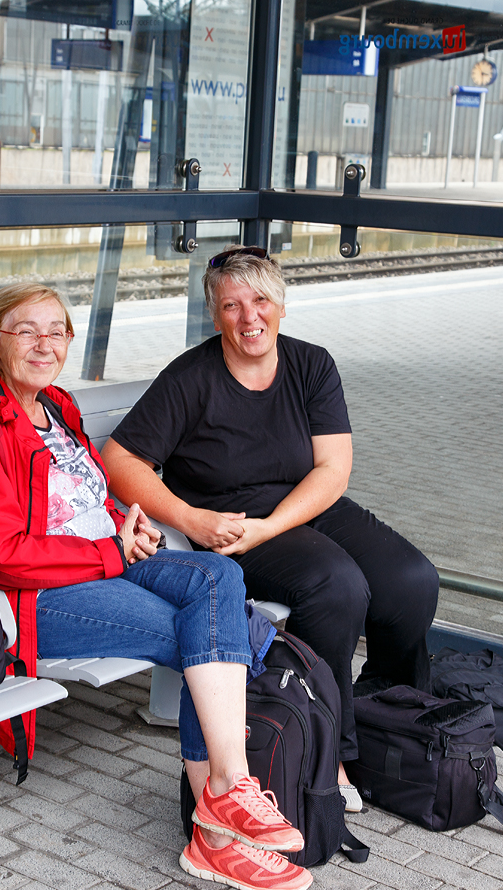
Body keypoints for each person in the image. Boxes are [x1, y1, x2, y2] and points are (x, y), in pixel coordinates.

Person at [0, 282, 312, 890]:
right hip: (31, 596)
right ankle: (224, 818)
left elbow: (82, 497)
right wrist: (107, 547)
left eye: (57, 330)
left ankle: (220, 808)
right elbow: (0, 555)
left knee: (222, 576)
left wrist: (122, 518)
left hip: (104, 556)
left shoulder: (57, 407)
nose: (45, 343)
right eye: (27, 330)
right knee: (210, 632)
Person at [102, 246, 440, 811]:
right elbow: (120, 460)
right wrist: (192, 520)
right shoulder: (192, 377)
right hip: (229, 520)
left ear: (281, 305)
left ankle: (385, 713)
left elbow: (333, 468)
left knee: (412, 581)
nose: (248, 316)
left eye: (260, 300)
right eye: (231, 305)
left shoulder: (311, 365)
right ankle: (325, 751)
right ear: (215, 315)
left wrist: (273, 526)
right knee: (336, 587)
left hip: (300, 507)